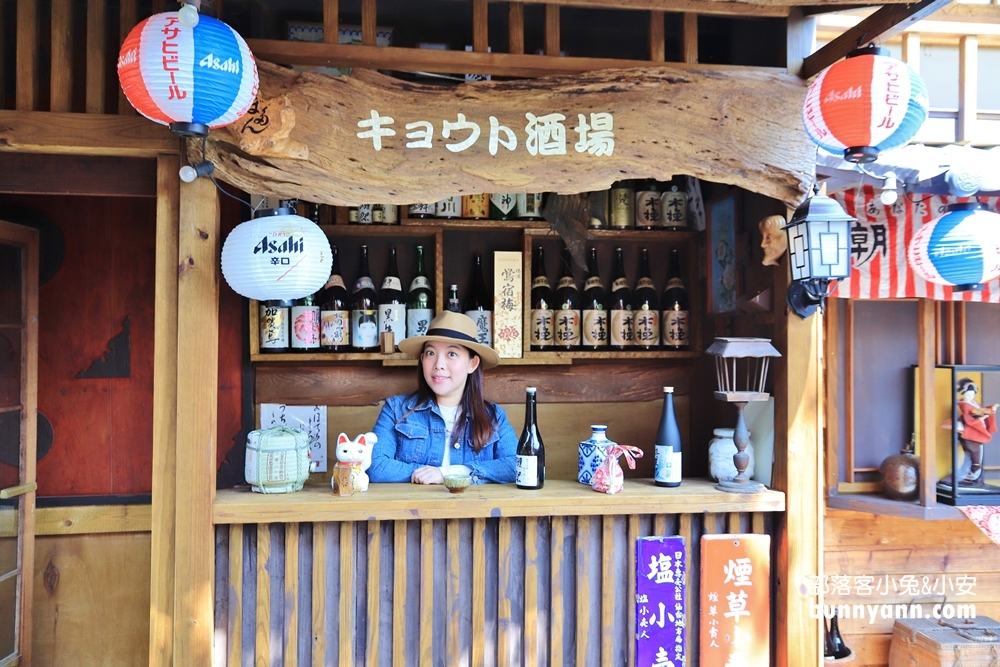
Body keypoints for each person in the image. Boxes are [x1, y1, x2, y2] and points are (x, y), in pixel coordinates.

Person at [368, 311, 517, 485]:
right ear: (422, 359)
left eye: (452, 354)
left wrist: (448, 473)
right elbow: (375, 466)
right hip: (415, 511)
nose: (438, 365)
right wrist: (423, 475)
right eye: (431, 353)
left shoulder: (494, 417)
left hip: (474, 511)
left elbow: (516, 465)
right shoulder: (395, 409)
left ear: (472, 364)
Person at [954, 377, 997, 488]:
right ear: (963, 393)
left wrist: (990, 409)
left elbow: (981, 409)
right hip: (971, 434)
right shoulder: (963, 404)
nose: (970, 397)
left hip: (977, 432)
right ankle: (972, 477)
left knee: (973, 457)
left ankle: (970, 477)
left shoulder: (972, 403)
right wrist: (981, 418)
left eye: (972, 394)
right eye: (968, 394)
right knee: (975, 457)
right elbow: (968, 419)